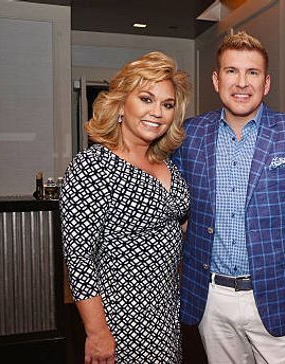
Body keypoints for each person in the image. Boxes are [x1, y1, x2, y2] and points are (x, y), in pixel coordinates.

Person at [172, 31, 285, 363]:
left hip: (277, 296)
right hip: (210, 297)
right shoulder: (188, 135)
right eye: (231, 71)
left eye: (252, 73)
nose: (242, 83)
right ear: (216, 79)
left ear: (266, 83)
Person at [60, 51, 191, 363]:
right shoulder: (92, 167)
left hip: (165, 312)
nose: (157, 112)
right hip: (119, 320)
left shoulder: (166, 164)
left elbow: (175, 222)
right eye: (146, 99)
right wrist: (97, 332)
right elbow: (80, 261)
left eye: (167, 104)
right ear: (120, 103)